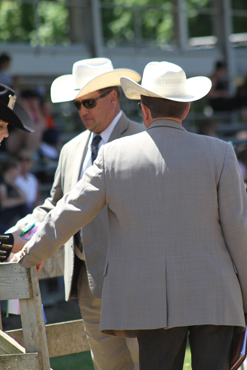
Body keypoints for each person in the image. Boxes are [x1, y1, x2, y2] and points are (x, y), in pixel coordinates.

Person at [7, 60, 247, 370]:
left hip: (151, 303)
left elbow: (66, 213)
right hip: (217, 297)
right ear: (186, 108)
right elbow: (239, 234)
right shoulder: (222, 153)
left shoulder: (113, 157)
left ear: (144, 110)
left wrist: (28, 255)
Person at [6, 58, 144, 370]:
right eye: (78, 103)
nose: (82, 110)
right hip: (86, 282)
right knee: (109, 365)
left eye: (89, 102)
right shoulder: (70, 149)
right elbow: (52, 207)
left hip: (134, 280)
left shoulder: (141, 141)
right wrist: (19, 235)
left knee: (148, 361)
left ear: (113, 98)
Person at [0, 157, 28, 233]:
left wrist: (15, 185)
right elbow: (4, 203)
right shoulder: (1, 182)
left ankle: (28, 227)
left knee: (23, 205)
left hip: (4, 216)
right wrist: (20, 201)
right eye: (18, 169)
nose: (20, 172)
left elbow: (25, 197)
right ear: (12, 169)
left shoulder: (11, 184)